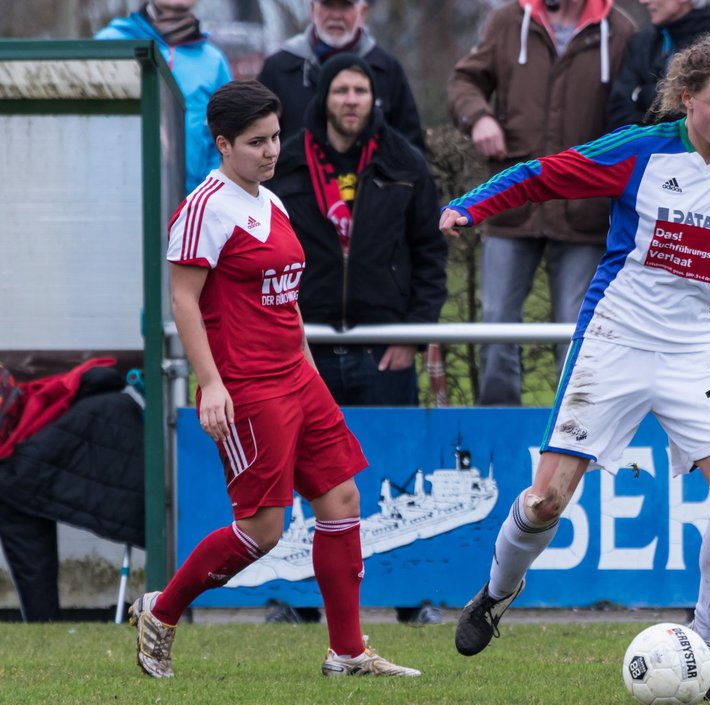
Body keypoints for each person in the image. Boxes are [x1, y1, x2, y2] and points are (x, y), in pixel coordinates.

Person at [440, 35, 710, 703]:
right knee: (545, 502)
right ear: (688, 100)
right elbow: (544, 172)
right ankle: (495, 594)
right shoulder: (640, 150)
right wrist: (473, 204)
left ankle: (709, 647)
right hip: (617, 339)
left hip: (692, 348)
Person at [129, 80, 419, 678]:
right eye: (255, 142)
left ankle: (346, 652)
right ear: (222, 143)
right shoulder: (204, 207)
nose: (269, 151)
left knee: (341, 500)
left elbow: (285, 305)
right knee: (262, 530)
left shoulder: (273, 202)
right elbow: (182, 300)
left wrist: (310, 371)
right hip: (249, 386)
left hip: (297, 377)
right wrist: (211, 384)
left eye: (276, 138)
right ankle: (161, 611)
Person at [447, 0, 635, 405]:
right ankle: (500, 426)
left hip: (585, 210)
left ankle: (573, 432)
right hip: (511, 207)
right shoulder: (507, 20)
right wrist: (479, 116)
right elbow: (464, 82)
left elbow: (631, 112)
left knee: (577, 328)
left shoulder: (619, 30)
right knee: (497, 323)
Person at [269, 53, 447, 407]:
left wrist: (413, 335)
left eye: (361, 90)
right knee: (308, 462)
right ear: (323, 98)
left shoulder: (404, 162)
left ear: (373, 98)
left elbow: (431, 252)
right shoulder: (285, 164)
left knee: (392, 463)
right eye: (341, 91)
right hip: (305, 349)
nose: (351, 99)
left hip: (383, 351)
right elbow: (265, 257)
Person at [0, 366, 143, 623]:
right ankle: (42, 619)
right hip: (43, 453)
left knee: (12, 493)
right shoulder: (100, 400)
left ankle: (42, 618)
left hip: (27, 466)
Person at [96, 0, 233, 193]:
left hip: (190, 207)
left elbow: (228, 137)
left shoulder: (214, 61)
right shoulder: (111, 43)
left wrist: (206, 196)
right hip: (122, 199)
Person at [257, 0, 426, 154]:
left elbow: (411, 146)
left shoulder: (386, 69)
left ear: (363, 12)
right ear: (312, 8)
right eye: (327, 5)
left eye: (346, 6)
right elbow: (255, 137)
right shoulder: (279, 68)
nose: (336, 15)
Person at [607, 0, 710, 132]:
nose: (644, 1)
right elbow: (618, 114)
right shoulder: (641, 42)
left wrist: (643, 95)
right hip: (642, 157)